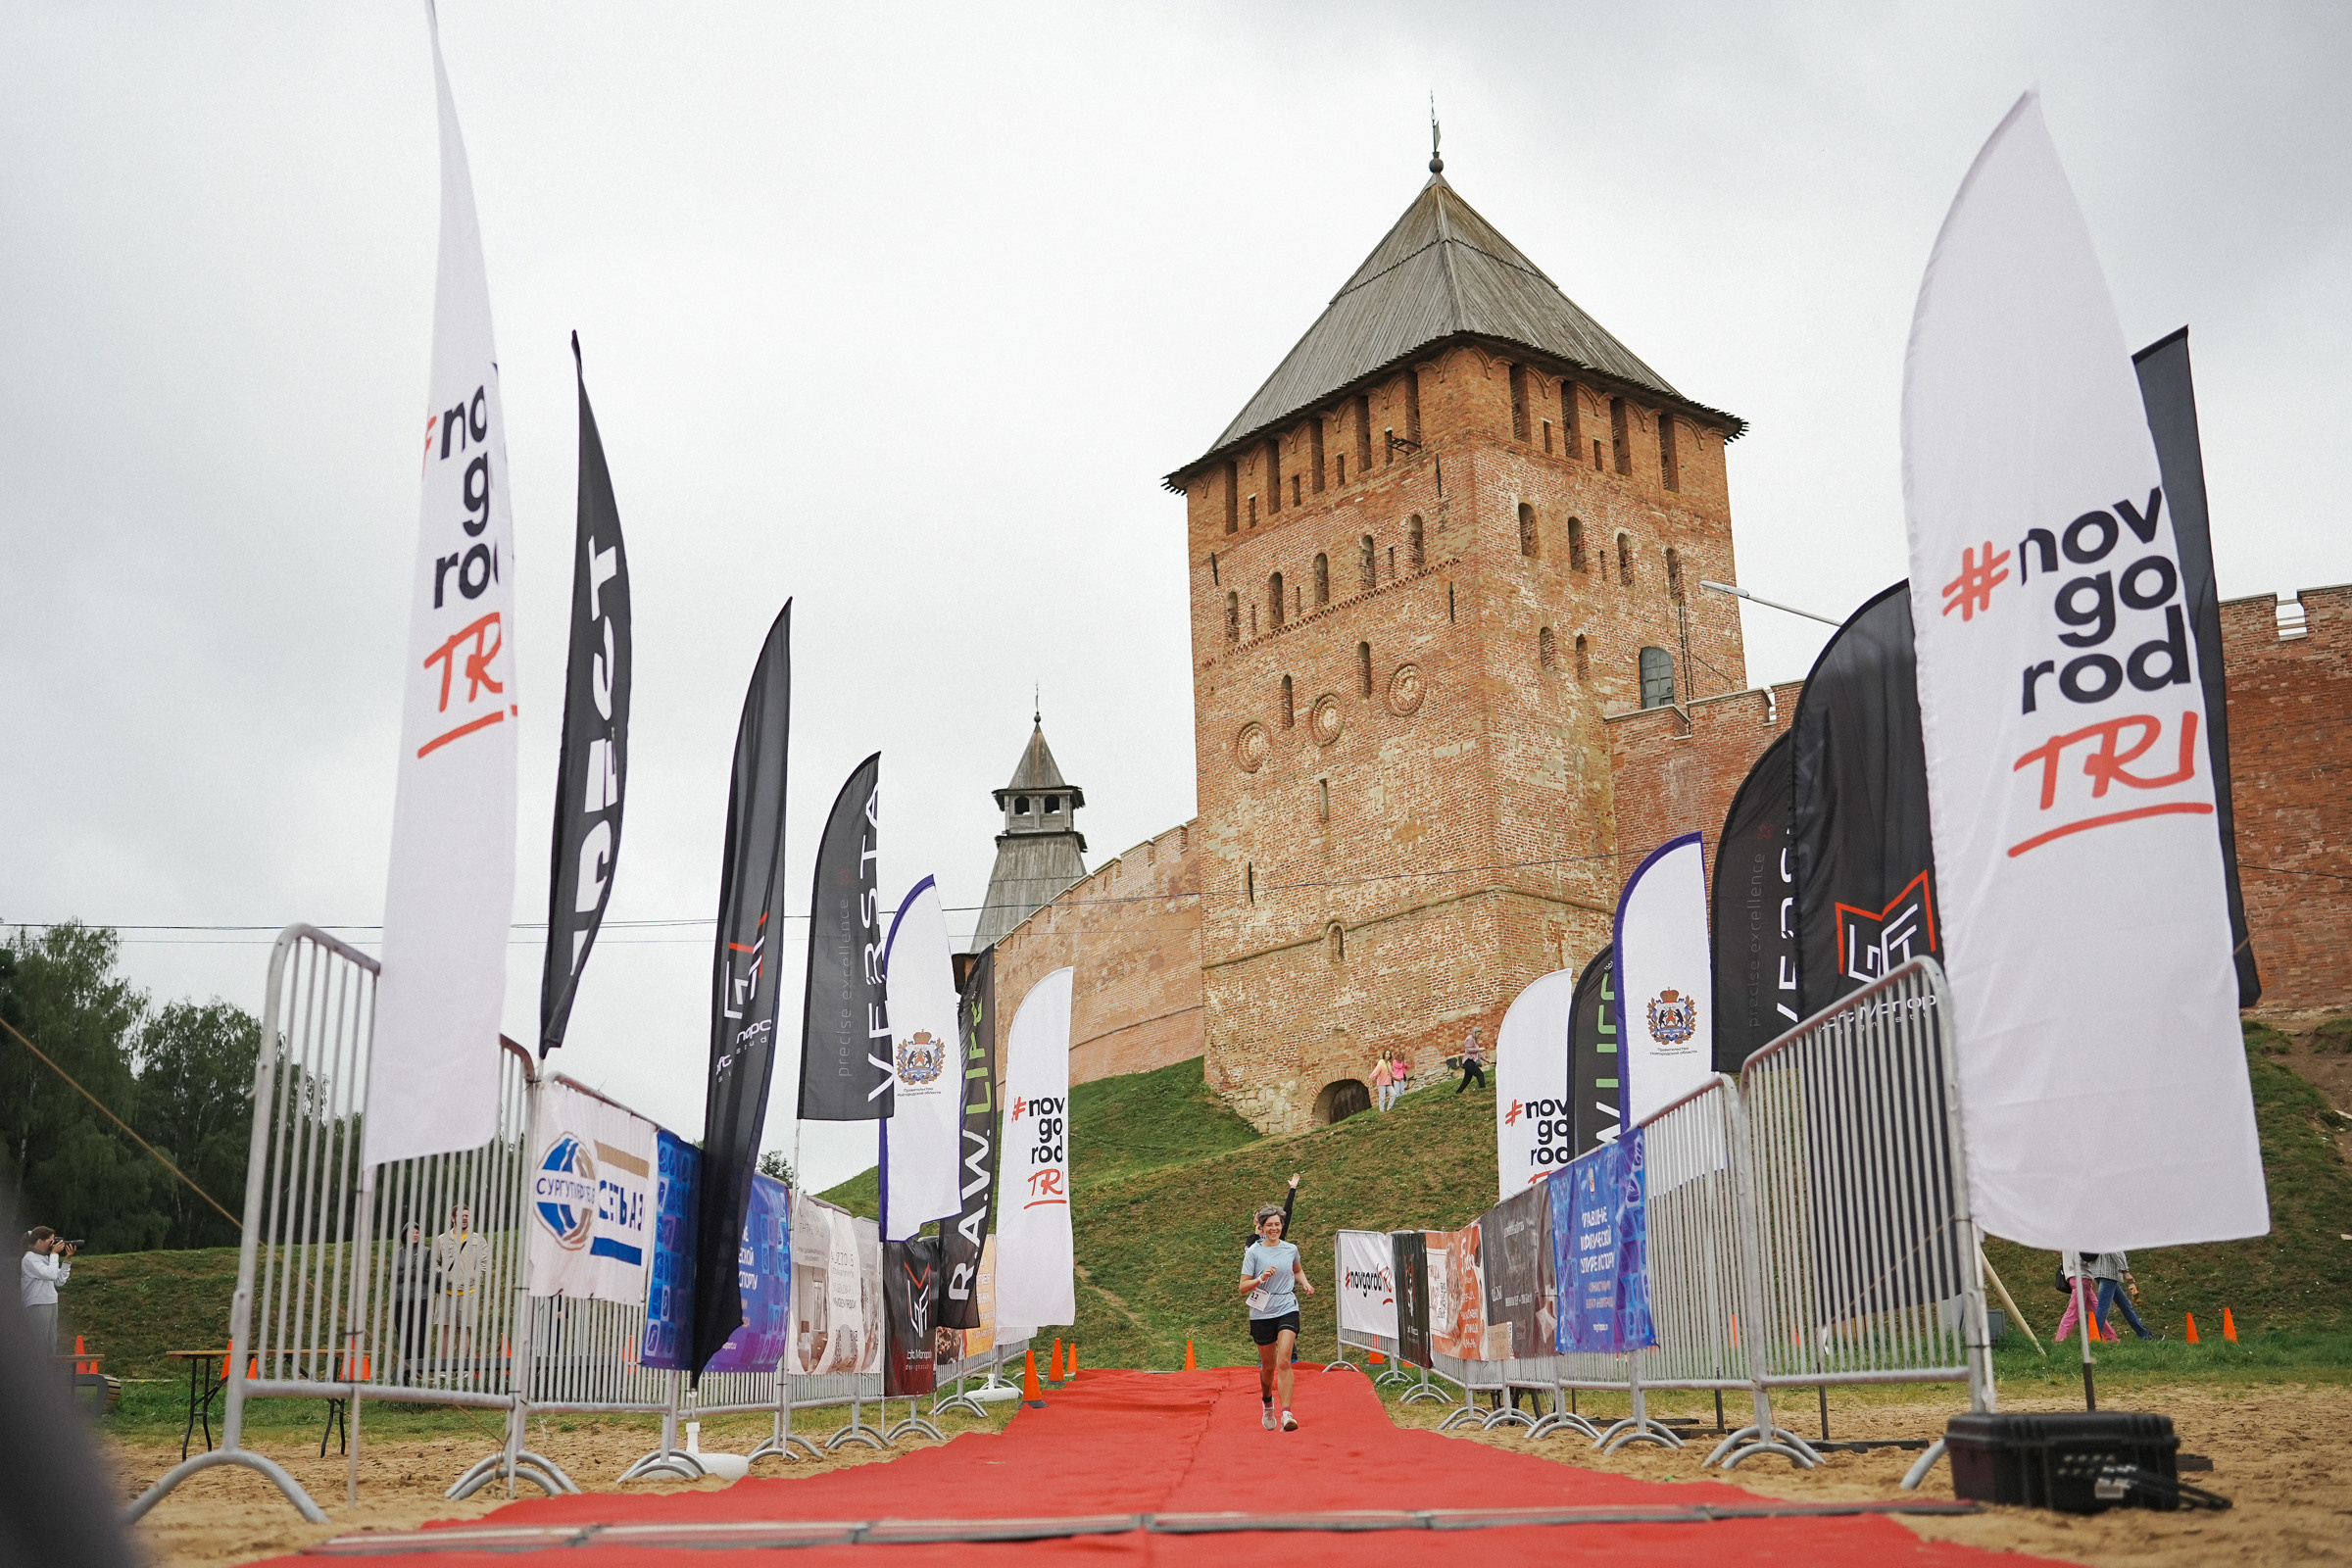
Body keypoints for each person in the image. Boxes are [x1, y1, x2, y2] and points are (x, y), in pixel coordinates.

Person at [1240, 1193, 1314, 1432]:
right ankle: (1267, 1402)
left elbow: (1297, 1269)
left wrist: (1304, 1283)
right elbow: (1242, 1287)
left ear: (1282, 1226)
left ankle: (1287, 1414)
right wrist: (1261, 1278)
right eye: (1270, 1225)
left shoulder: (1290, 1248)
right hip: (1262, 1311)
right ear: (1262, 1227)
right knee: (1268, 1367)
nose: (1274, 1228)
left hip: (1287, 1306)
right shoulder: (1254, 1252)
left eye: (1277, 1224)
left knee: (1284, 1360)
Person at [432, 1203, 490, 1373]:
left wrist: (474, 1275)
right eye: (461, 1215)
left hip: (468, 1292)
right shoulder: (441, 1239)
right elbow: (434, 1262)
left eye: (467, 1216)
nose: (464, 1218)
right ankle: (443, 1369)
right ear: (453, 1218)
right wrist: (441, 1274)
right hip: (446, 1293)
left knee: (463, 1330)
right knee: (446, 1331)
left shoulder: (479, 1240)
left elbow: (484, 1263)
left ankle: (462, 1368)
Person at [20, 1228, 74, 1356]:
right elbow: (50, 1274)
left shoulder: (45, 1258)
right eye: (51, 1241)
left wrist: (67, 1259)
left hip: (51, 1302)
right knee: (39, 1342)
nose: (54, 1244)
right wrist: (54, 1254)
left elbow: (59, 1280)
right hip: (37, 1304)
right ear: (39, 1241)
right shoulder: (29, 1259)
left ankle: (48, 1372)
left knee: (51, 1343)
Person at [390, 1222, 432, 1371]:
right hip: (401, 1300)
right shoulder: (397, 1253)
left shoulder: (427, 1252)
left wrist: (411, 1273)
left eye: (417, 1232)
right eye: (411, 1232)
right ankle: (405, 1369)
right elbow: (392, 1276)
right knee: (404, 1335)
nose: (415, 1235)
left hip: (422, 1300)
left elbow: (429, 1275)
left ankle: (420, 1369)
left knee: (420, 1335)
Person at [2089, 1250, 2155, 1340]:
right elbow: (2115, 1250)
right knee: (2103, 1306)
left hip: (2099, 1271)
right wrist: (2125, 1271)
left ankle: (2144, 1335)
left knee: (2125, 1305)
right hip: (2108, 1272)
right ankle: (2094, 1338)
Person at [1455, 1028, 1487, 1095]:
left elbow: (1478, 1053)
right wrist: (1479, 1049)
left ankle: (1458, 1093)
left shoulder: (1474, 1040)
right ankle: (1483, 1091)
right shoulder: (1469, 1039)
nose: (1479, 1035)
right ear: (1475, 1032)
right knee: (1480, 1074)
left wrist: (1486, 1060)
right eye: (1479, 1034)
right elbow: (1469, 1050)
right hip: (1468, 1061)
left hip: (1470, 1061)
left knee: (1467, 1079)